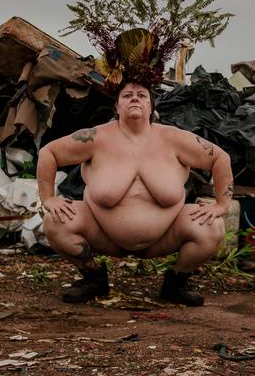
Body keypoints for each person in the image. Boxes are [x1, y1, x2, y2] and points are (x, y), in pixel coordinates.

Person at [37, 81, 233, 306]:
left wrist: (222, 204)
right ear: (117, 107)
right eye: (127, 95)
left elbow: (220, 158)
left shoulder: (175, 139)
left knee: (213, 227)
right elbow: (49, 153)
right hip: (102, 232)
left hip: (165, 235)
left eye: (142, 95)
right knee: (55, 221)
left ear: (151, 107)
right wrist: (48, 198)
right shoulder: (95, 138)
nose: (134, 98)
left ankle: (176, 282)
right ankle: (93, 278)